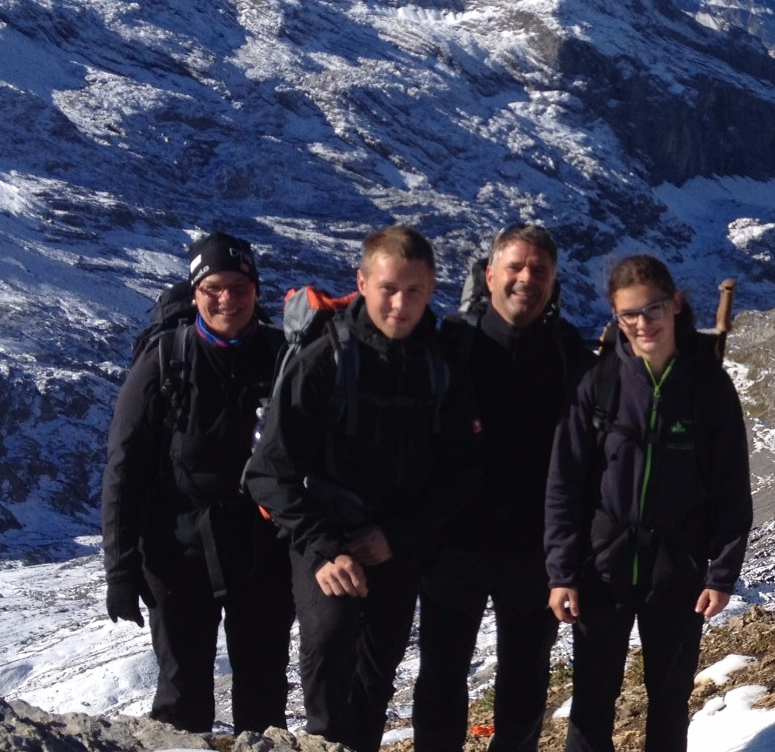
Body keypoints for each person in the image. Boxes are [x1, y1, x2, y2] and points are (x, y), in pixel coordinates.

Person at [244, 226, 478, 752]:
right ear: (363, 282)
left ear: (432, 288)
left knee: (375, 677)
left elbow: (463, 470)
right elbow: (266, 471)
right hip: (323, 534)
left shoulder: (439, 367)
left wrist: (395, 534)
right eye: (388, 288)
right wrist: (325, 549)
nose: (400, 304)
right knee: (328, 654)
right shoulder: (323, 360)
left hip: (397, 542)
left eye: (414, 291)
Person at [544, 255, 752, 752]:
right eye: (628, 315)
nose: (643, 323)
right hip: (602, 566)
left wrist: (721, 574)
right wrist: (561, 571)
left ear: (675, 304)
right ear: (615, 319)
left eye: (653, 308)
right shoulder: (599, 384)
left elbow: (731, 488)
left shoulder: (708, 386)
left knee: (669, 700)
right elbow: (564, 483)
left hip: (677, 568)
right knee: (592, 700)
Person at [101, 232, 293, 735]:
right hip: (176, 551)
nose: (227, 298)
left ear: (255, 289)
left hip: (263, 550)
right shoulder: (164, 361)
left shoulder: (282, 357)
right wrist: (119, 572)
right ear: (194, 293)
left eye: (239, 286)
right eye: (213, 288)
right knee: (182, 695)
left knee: (264, 690)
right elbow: (125, 466)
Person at [412, 225, 594, 752]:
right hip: (453, 545)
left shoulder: (569, 358)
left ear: (555, 283)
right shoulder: (448, 346)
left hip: (535, 550)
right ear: (489, 274)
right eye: (515, 267)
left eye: (540, 271)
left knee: (526, 682)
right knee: (441, 678)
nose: (526, 279)